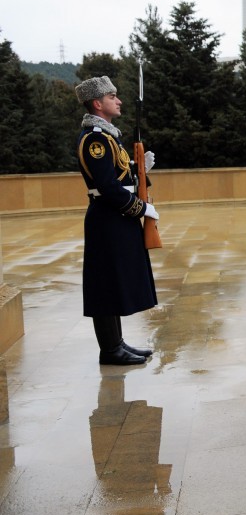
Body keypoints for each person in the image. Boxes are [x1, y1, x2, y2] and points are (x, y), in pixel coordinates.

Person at [75, 76, 159, 366]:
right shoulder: (95, 139)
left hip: (116, 217)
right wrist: (140, 209)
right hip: (108, 217)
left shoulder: (110, 136)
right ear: (98, 104)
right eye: (112, 97)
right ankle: (110, 350)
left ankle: (116, 343)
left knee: (113, 281)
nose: (119, 101)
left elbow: (119, 177)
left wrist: (139, 169)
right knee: (105, 284)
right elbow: (108, 187)